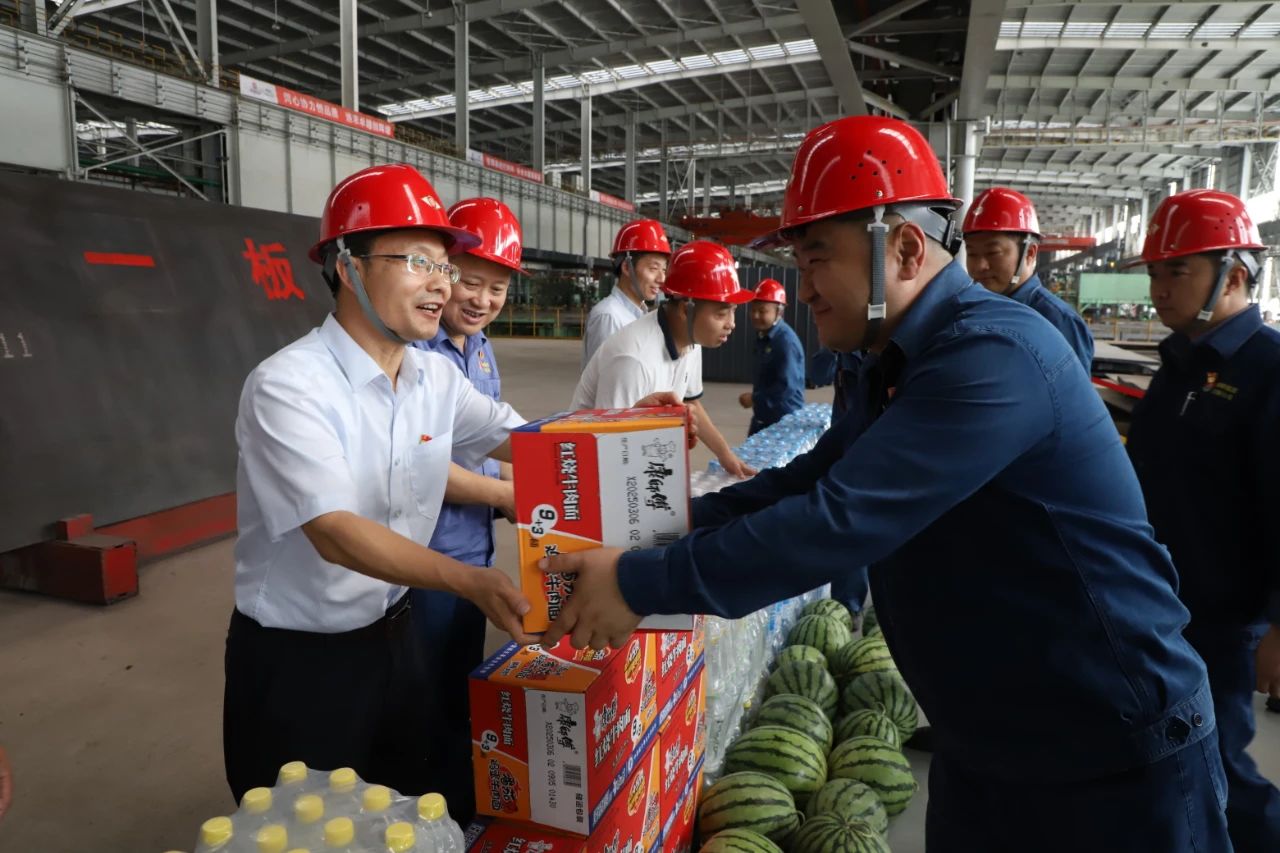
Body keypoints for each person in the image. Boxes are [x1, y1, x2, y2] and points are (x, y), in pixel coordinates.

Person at [539, 116, 1229, 851]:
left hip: (1109, 747)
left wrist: (643, 581)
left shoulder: (993, 354)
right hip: (988, 741)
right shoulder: (883, 359)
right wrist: (671, 522)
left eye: (817, 259)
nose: (803, 291)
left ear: (901, 246)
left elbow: (839, 521)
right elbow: (818, 476)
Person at [223, 164, 537, 803]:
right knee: (306, 830)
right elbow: (335, 532)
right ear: (350, 267)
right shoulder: (289, 385)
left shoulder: (435, 380)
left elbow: (531, 443)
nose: (442, 285)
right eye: (417, 261)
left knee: (402, 806)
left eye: (445, 267)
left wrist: (630, 433)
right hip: (299, 662)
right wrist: (471, 581)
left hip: (396, 637)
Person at [1125, 188, 1280, 852]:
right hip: (1165, 606)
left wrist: (1279, 623)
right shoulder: (1180, 367)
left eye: (1176, 270)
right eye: (1156, 271)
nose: (1160, 287)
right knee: (1181, 762)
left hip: (1226, 619)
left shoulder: (1268, 368)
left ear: (1235, 274)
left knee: (1217, 766)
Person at [407, 197, 524, 823]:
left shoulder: (479, 350)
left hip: (473, 550)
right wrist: (513, 494)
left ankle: (453, 804)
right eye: (471, 281)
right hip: (425, 562)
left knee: (459, 690)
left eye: (497, 288)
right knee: (423, 701)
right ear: (441, 271)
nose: (481, 299)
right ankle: (428, 813)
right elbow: (429, 472)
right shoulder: (418, 354)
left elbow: (494, 440)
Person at [572, 240, 756, 479]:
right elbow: (609, 446)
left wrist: (725, 455)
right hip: (589, 474)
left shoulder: (691, 339)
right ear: (685, 310)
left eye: (733, 311)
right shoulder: (632, 360)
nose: (731, 323)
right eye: (721, 313)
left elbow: (692, 404)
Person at [963, 187, 1094, 370]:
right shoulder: (974, 311)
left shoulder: (1059, 321)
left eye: (993, 253)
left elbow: (1073, 396)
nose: (979, 266)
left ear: (1030, 253)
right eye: (972, 254)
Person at [581, 219, 671, 367]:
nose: (662, 279)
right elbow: (604, 382)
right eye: (653, 268)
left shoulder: (641, 315)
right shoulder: (609, 317)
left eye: (664, 269)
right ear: (627, 268)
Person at [738, 279, 806, 435]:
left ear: (779, 311)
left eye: (762, 311)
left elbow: (786, 386)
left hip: (783, 421)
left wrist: (755, 399)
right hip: (765, 417)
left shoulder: (785, 342)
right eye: (753, 310)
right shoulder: (765, 336)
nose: (755, 315)